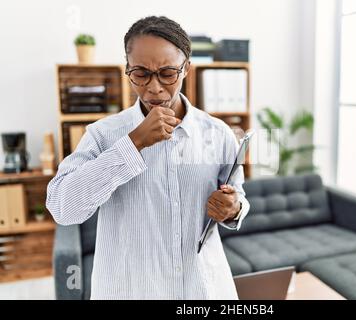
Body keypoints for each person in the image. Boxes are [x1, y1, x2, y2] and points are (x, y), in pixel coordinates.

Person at [46, 16, 250, 300]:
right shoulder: (103, 135)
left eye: (167, 73)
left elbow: (237, 195)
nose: (154, 88)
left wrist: (233, 208)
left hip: (202, 289)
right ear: (127, 69)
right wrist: (134, 143)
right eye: (141, 74)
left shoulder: (218, 133)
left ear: (186, 69)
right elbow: (62, 207)